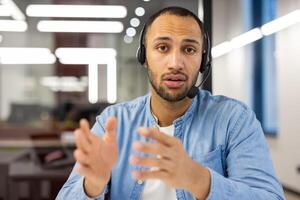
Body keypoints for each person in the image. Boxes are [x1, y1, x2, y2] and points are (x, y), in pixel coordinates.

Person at [56, 6, 285, 200]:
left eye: (189, 49)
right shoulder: (113, 123)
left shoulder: (234, 119)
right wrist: (93, 183)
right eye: (163, 47)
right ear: (144, 57)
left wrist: (199, 179)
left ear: (203, 60)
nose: (176, 62)